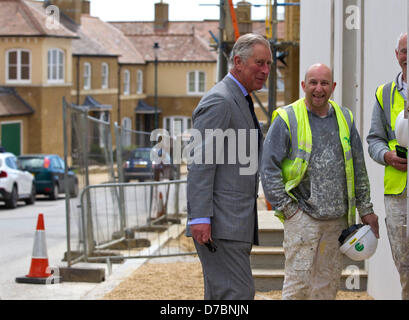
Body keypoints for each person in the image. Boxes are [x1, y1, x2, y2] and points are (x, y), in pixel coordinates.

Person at [261, 63, 379, 300]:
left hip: (336, 222)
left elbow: (358, 166)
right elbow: (268, 167)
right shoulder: (288, 118)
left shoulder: (344, 117)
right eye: (313, 82)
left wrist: (366, 210)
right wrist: (289, 210)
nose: (318, 88)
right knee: (298, 287)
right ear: (303, 85)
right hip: (302, 218)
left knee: (326, 287)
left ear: (333, 87)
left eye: (324, 83)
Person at [185, 33, 272, 300]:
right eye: (259, 63)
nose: (266, 70)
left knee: (223, 294)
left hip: (233, 224)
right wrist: (200, 217)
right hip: (222, 224)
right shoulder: (221, 100)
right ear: (238, 61)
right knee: (237, 294)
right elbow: (200, 163)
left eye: (268, 64)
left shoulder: (240, 98)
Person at [367, 32, 409, 300]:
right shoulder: (385, 94)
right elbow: (374, 139)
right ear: (397, 55)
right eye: (404, 50)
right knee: (403, 261)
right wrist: (387, 156)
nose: (407, 56)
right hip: (398, 194)